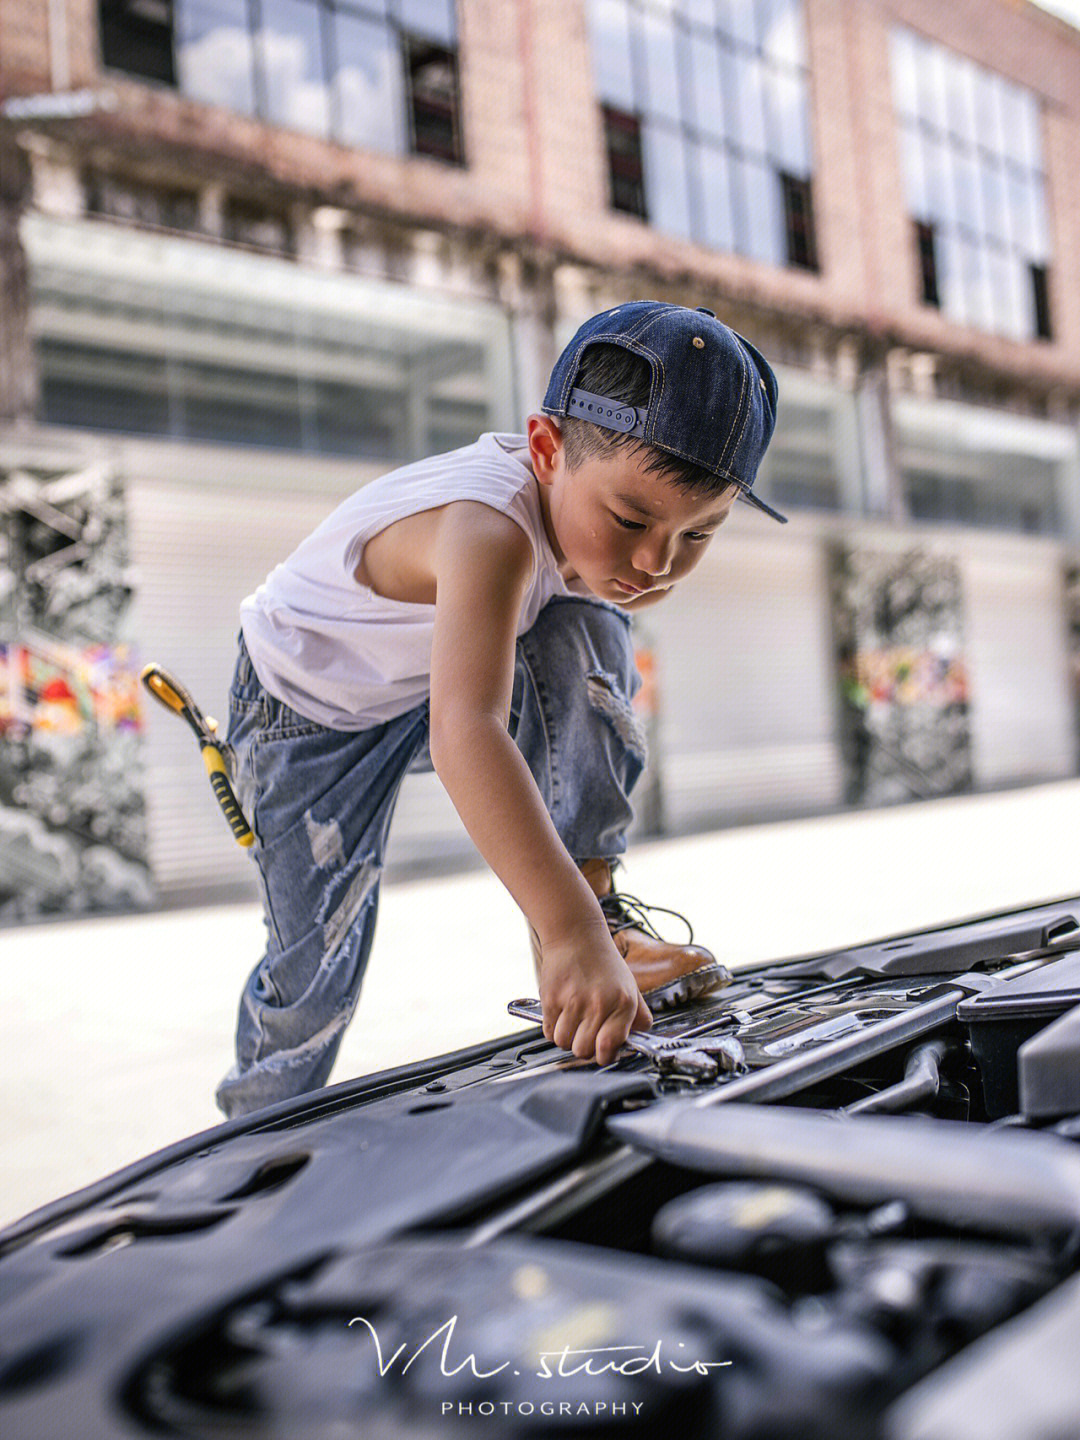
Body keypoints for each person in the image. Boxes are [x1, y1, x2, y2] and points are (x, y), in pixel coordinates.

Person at [216, 300, 784, 1118]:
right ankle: (253, 1128)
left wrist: (579, 923)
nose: (658, 561)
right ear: (547, 450)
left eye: (699, 534)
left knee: (588, 623)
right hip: (304, 711)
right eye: (631, 518)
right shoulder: (489, 527)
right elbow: (465, 733)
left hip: (424, 687)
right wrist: (565, 936)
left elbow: (487, 710)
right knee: (314, 967)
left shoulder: (594, 558)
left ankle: (601, 912)